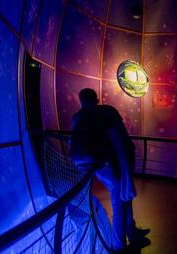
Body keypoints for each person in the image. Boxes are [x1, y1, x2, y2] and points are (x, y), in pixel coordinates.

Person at [71, 88, 149, 252]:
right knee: (120, 203)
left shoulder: (77, 117)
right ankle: (119, 246)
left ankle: (131, 231)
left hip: (98, 167)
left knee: (123, 198)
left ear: (81, 100)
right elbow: (119, 138)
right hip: (114, 164)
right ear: (97, 99)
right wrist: (125, 166)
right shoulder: (107, 111)